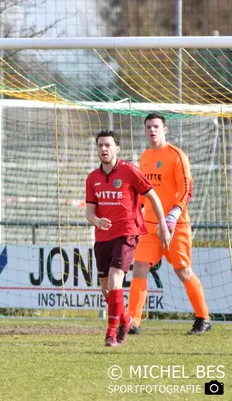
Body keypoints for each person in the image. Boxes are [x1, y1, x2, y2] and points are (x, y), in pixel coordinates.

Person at [128, 113, 211, 335]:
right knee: (140, 267)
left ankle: (203, 317)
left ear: (165, 130)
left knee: (183, 271)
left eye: (156, 126)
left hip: (176, 225)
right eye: (148, 127)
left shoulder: (177, 156)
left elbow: (185, 190)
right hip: (149, 225)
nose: (152, 130)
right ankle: (133, 321)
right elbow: (145, 192)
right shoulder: (145, 156)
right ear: (145, 131)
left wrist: (173, 216)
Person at [85, 130, 170, 347]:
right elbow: (89, 213)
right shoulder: (92, 178)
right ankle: (125, 320)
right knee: (105, 288)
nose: (104, 149)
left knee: (115, 280)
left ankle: (111, 333)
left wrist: (163, 225)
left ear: (117, 149)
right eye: (100, 145)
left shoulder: (129, 170)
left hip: (127, 233)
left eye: (108, 145)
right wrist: (97, 221)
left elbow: (152, 196)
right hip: (103, 237)